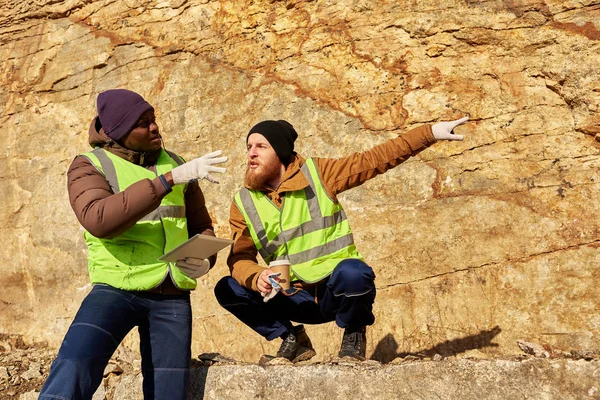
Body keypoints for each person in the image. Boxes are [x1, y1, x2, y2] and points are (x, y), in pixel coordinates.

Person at [214, 116, 468, 362]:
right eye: (249, 147)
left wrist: (429, 133)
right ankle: (291, 339)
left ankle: (354, 334)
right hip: (290, 296)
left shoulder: (319, 174)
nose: (251, 154)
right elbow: (239, 259)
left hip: (334, 293)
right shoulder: (243, 201)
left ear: (280, 151)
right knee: (228, 288)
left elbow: (377, 158)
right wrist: (257, 276)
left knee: (354, 272)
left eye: (260, 146)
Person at [39, 89, 227, 400]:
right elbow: (98, 219)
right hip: (116, 287)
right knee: (74, 367)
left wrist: (205, 259)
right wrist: (166, 181)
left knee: (169, 393)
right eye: (143, 123)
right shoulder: (89, 165)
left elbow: (201, 226)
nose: (154, 127)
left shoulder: (178, 163)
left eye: (153, 119)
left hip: (171, 295)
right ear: (119, 133)